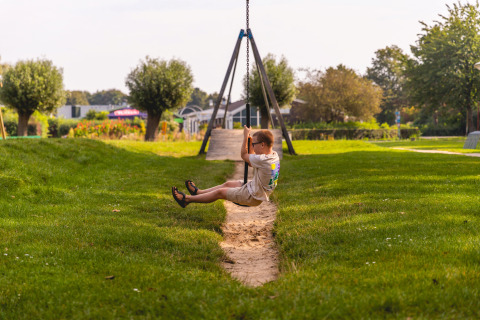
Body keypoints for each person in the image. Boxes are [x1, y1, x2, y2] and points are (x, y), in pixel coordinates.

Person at [172, 125, 280, 208]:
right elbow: (251, 162)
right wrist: (251, 140)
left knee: (220, 192)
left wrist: (245, 137)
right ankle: (198, 193)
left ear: (262, 144)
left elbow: (244, 155)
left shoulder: (263, 160)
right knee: (228, 184)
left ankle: (186, 199)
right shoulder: (273, 156)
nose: (253, 147)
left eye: (254, 145)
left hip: (253, 196)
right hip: (255, 187)